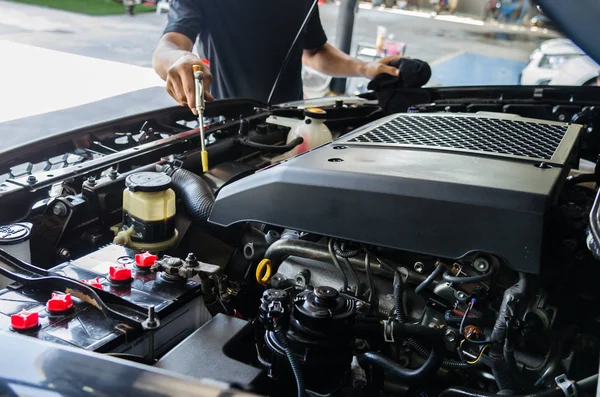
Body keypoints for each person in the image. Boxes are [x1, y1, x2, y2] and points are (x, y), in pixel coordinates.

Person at [152, 0, 401, 113]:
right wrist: (178, 60)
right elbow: (170, 44)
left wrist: (365, 68)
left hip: (293, 121)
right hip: (225, 127)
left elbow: (314, 51)